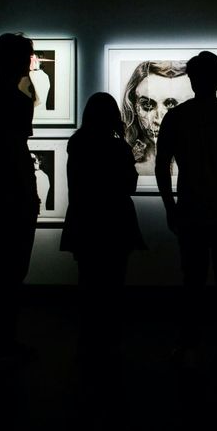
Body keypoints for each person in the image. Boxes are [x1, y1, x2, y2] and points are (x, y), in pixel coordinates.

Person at [155, 51, 217, 370]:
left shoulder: (177, 117)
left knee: (192, 283)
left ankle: (189, 345)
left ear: (192, 79)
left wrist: (170, 207)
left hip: (191, 211)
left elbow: (161, 166)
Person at [60, 92, 146, 363]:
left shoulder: (77, 143)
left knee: (88, 282)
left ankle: (87, 341)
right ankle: (110, 342)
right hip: (115, 221)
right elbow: (129, 185)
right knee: (112, 284)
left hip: (85, 220)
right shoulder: (118, 148)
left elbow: (76, 185)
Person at [0, 32, 40, 364]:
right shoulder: (15, 100)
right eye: (27, 57)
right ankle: (3, 338)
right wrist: (29, 194)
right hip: (14, 193)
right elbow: (16, 150)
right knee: (11, 267)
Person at [121, 60, 217, 176]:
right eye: (147, 105)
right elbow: (163, 166)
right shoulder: (178, 117)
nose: (158, 119)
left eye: (170, 104)